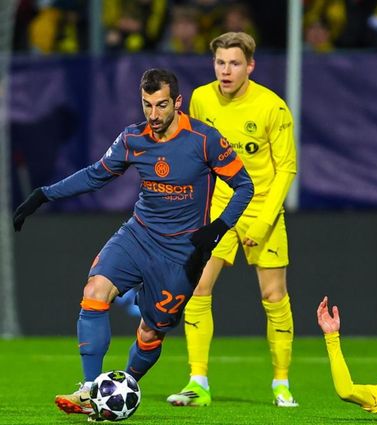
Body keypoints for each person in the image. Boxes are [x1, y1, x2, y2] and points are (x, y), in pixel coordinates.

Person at [12, 68, 254, 420]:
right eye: (146, 105)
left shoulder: (205, 140)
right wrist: (43, 195)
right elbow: (96, 174)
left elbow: (245, 186)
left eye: (161, 105)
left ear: (178, 102)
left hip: (181, 253)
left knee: (151, 332)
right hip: (138, 235)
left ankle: (120, 390)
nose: (153, 114)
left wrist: (217, 229)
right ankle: (90, 390)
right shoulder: (133, 138)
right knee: (95, 291)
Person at [166, 31, 298, 408]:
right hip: (219, 206)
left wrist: (263, 221)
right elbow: (195, 152)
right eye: (220, 63)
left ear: (250, 66)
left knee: (273, 295)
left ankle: (282, 383)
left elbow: (287, 168)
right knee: (197, 287)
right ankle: (198, 382)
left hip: (261, 207)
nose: (226, 71)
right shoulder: (201, 98)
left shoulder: (273, 108)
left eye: (234, 63)